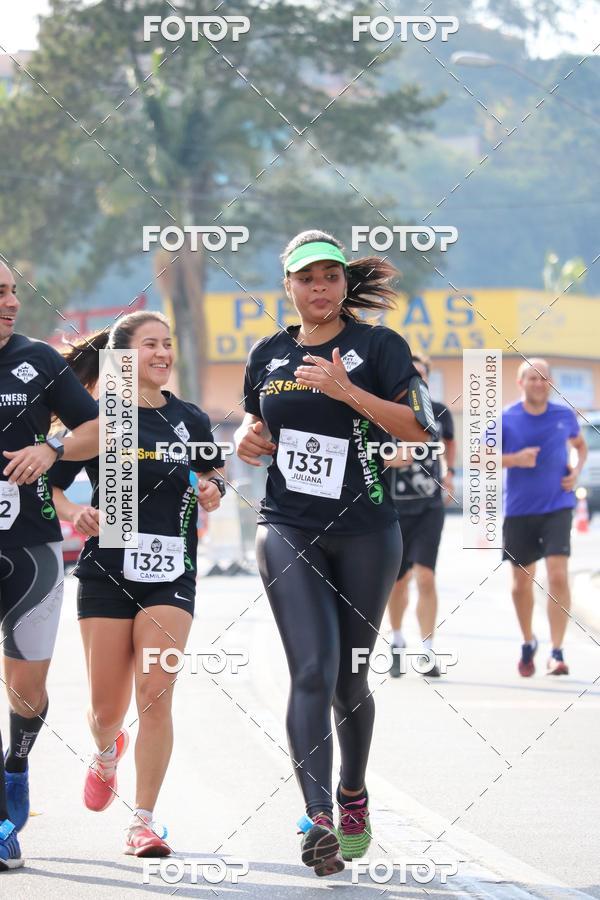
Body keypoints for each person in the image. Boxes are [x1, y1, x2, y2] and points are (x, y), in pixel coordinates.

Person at [235, 231, 435, 876]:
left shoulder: (379, 346)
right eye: (305, 278)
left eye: (328, 276)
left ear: (343, 283)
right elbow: (255, 422)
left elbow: (418, 428)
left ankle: (353, 795)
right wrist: (247, 437)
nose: (317, 288)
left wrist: (346, 391)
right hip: (288, 524)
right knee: (312, 670)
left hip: (367, 531)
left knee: (350, 677)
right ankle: (317, 817)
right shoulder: (268, 353)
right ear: (287, 286)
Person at [51, 310, 225, 857]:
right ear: (123, 357)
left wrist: (212, 488)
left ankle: (144, 821)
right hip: (107, 571)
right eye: (151, 344)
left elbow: (212, 471)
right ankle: (107, 751)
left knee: (155, 694)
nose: (163, 354)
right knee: (107, 709)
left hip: (171, 572)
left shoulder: (190, 419)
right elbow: (48, 481)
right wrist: (72, 512)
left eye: (168, 344)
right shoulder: (99, 420)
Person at [0, 260, 100, 870]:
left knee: (27, 688)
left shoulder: (38, 360)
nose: (9, 302)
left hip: (30, 550)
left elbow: (100, 428)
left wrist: (52, 446)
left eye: (11, 291)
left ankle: (14, 772)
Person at [502, 358, 587, 677]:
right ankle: (528, 641)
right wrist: (514, 459)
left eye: (544, 379)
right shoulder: (506, 418)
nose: (539, 383)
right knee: (521, 583)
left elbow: (580, 446)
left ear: (551, 383)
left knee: (558, 575)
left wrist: (576, 471)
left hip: (558, 506)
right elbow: (480, 457)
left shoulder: (565, 415)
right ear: (521, 383)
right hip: (520, 510)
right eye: (532, 378)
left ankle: (557, 651)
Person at [385, 355, 455, 678]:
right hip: (394, 509)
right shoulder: (384, 410)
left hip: (429, 506)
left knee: (426, 577)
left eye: (422, 376)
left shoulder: (439, 411)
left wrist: (450, 471)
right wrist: (389, 460)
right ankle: (397, 641)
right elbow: (367, 451)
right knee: (398, 583)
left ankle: (427, 650)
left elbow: (449, 442)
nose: (417, 381)